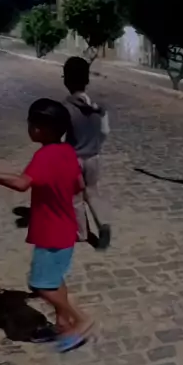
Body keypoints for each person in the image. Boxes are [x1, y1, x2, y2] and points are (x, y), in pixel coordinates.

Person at [0, 98, 92, 352]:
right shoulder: (67, 151)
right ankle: (63, 324)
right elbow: (79, 186)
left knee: (40, 285)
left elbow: (21, 183)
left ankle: (80, 319)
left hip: (51, 231)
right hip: (66, 227)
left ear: (40, 128)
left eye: (31, 124)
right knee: (54, 279)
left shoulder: (44, 155)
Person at [63, 56, 111, 249]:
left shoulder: (66, 108)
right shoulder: (98, 107)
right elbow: (105, 131)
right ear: (87, 80)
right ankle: (103, 224)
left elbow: (61, 136)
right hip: (93, 156)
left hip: (74, 159)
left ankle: (82, 232)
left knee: (75, 197)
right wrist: (95, 145)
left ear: (66, 80)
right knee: (92, 191)